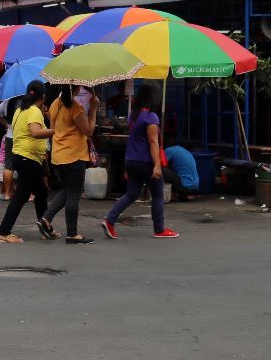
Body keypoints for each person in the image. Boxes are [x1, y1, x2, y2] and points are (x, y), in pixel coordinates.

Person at [102, 84, 180, 240]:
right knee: (158, 194)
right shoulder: (151, 117)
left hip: (131, 160)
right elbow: (153, 143)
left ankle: (109, 220)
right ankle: (159, 229)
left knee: (131, 194)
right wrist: (157, 165)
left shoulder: (134, 115)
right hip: (145, 162)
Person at [0, 81, 54, 244]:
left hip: (22, 156)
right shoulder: (34, 111)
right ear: (43, 96)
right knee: (21, 196)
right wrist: (56, 131)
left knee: (41, 192)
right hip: (28, 158)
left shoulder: (21, 109)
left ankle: (46, 228)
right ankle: (4, 232)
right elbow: (35, 132)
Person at [40, 85, 99, 245]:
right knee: (74, 194)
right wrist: (93, 109)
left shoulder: (54, 104)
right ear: (76, 89)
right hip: (74, 155)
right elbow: (88, 131)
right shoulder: (75, 108)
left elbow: (53, 129)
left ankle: (46, 218)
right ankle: (72, 234)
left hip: (58, 154)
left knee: (67, 191)